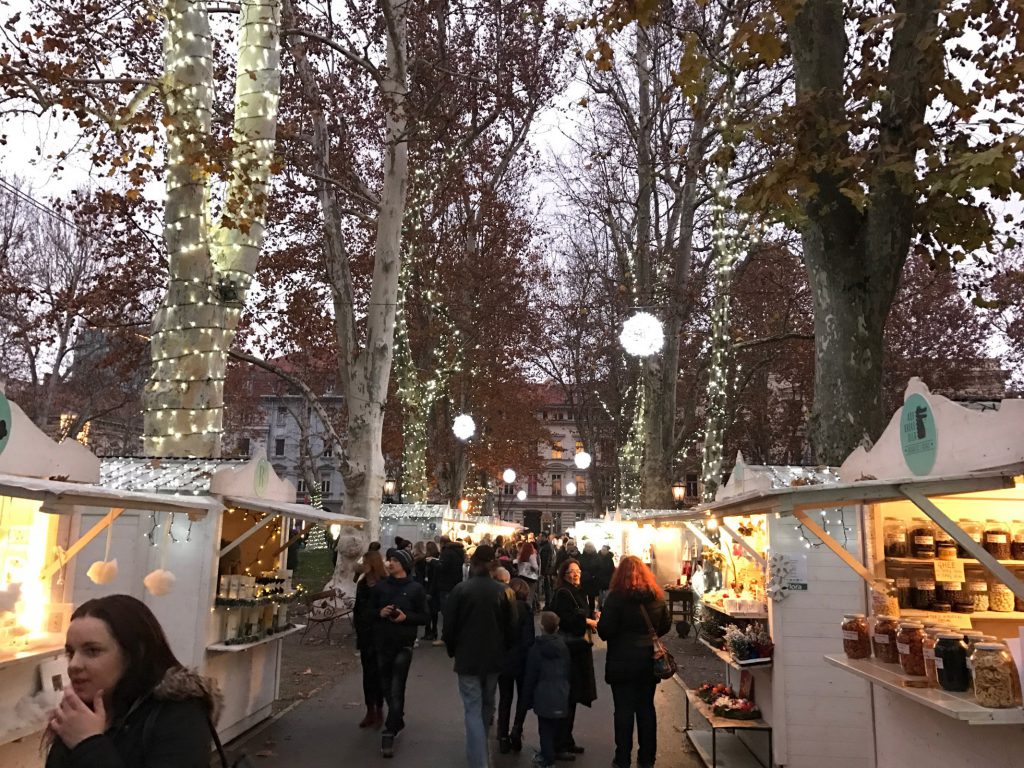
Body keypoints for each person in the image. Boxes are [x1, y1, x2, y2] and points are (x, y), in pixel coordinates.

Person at [45, 594, 219, 768]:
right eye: (70, 653)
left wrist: (89, 744)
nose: (73, 665)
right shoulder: (78, 712)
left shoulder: (180, 715)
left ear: (134, 654)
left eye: (92, 651)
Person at [442, 545, 517, 768]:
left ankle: (479, 759)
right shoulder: (505, 591)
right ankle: (480, 751)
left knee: (473, 708)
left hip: (467, 657)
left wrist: (453, 649)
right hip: (494, 657)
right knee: (486, 704)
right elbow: (511, 627)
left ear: (473, 564)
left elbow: (449, 626)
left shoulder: (460, 590)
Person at [597, 556, 672, 768]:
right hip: (648, 661)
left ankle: (622, 758)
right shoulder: (656, 596)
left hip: (621, 661)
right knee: (646, 709)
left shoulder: (616, 598)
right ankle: (647, 758)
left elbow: (605, 631)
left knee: (623, 711)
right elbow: (665, 625)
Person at [372, 548, 429, 758]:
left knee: (397, 687)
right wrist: (380, 612)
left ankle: (390, 730)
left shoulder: (415, 589)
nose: (390, 563)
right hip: (383, 642)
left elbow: (424, 616)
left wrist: (407, 618)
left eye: (395, 560)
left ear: (404, 564)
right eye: (390, 560)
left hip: (403, 644)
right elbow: (369, 611)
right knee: (386, 685)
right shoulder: (381, 587)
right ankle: (397, 718)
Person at [549, 558, 598, 759]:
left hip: (577, 650)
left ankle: (566, 740)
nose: (576, 574)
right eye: (571, 571)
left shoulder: (577, 592)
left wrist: (589, 616)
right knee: (567, 697)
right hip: (570, 650)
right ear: (564, 574)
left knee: (572, 697)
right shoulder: (563, 593)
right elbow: (566, 620)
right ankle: (559, 743)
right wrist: (587, 620)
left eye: (578, 570)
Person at [522, 611, 571, 768]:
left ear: (541, 626)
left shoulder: (536, 649)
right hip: (561, 692)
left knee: (545, 729)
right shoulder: (563, 647)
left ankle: (547, 758)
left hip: (543, 693)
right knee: (555, 726)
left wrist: (526, 699)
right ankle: (553, 751)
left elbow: (531, 675)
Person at [497, 577, 535, 754]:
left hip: (504, 658)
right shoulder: (526, 610)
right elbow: (529, 638)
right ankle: (517, 729)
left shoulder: (502, 608)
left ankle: (502, 735)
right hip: (521, 659)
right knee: (522, 697)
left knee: (505, 698)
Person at [354, 549, 388, 729]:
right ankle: (370, 709)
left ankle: (380, 707)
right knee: (368, 674)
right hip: (366, 634)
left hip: (380, 635)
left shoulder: (384, 584)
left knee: (380, 673)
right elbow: (358, 610)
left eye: (365, 562)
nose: (362, 564)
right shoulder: (362, 584)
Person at [435, 536, 466, 644]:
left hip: (446, 585)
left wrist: (435, 563)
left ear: (442, 543)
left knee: (446, 612)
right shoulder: (459, 551)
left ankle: (446, 637)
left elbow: (443, 567)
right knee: (454, 611)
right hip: (456, 583)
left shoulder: (447, 552)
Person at [423, 540, 442, 641]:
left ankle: (429, 631)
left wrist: (429, 591)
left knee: (429, 611)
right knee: (433, 612)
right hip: (434, 589)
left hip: (430, 588)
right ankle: (433, 631)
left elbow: (432, 578)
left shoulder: (430, 562)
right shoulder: (438, 560)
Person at [578, 541, 602, 613]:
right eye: (587, 547)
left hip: (592, 581)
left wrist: (594, 576)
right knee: (583, 598)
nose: (588, 548)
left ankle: (591, 613)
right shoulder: (582, 557)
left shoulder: (597, 557)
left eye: (590, 547)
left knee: (591, 599)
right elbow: (579, 566)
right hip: (583, 580)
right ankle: (585, 613)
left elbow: (599, 568)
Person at [515, 540, 540, 610]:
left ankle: (522, 610)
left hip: (522, 578)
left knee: (522, 596)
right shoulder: (532, 556)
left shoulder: (520, 556)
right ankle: (528, 612)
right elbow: (536, 567)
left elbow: (517, 566)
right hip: (531, 579)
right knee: (529, 597)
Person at [537, 532, 555, 606]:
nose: (539, 538)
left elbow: (546, 560)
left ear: (545, 537)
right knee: (547, 587)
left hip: (546, 571)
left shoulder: (546, 546)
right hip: (546, 570)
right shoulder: (544, 545)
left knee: (547, 587)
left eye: (541, 536)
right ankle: (548, 602)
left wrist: (543, 572)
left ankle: (548, 603)